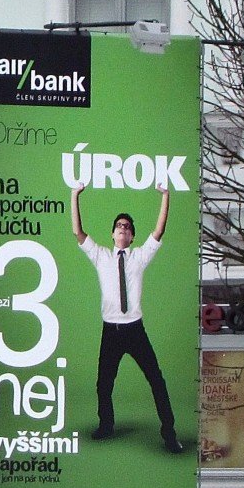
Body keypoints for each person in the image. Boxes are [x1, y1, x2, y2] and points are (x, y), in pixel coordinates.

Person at [70, 181, 182, 452]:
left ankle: (169, 434)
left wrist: (165, 196)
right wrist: (75, 195)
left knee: (157, 381)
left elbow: (159, 231)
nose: (123, 228)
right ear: (112, 234)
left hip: (134, 329)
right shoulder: (101, 256)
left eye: (127, 227)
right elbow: (77, 232)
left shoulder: (139, 257)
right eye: (119, 226)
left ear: (131, 237)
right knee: (103, 384)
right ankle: (106, 425)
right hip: (111, 330)